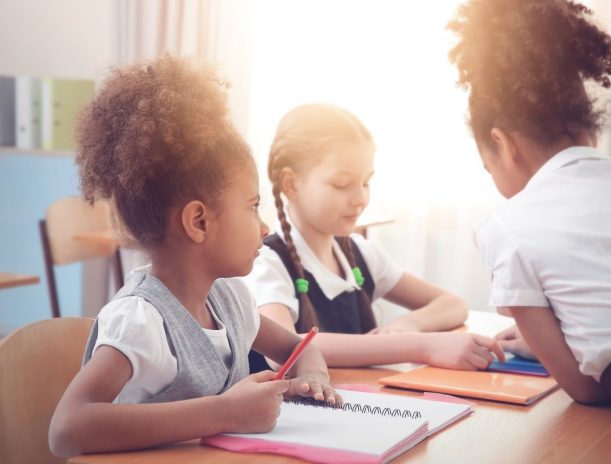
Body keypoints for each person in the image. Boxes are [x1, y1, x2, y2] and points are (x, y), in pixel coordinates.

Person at [48, 56, 337, 457]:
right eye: (253, 206)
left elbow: (300, 347)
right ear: (199, 221)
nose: (265, 226)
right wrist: (224, 413)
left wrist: (313, 375)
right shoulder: (141, 322)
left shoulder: (231, 301)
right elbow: (67, 429)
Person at [447, 1, 611, 462]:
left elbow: (585, 388)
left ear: (501, 144)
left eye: (487, 166)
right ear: (591, 131)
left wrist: (555, 350)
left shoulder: (506, 225)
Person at [244, 102, 505, 371]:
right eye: (342, 184)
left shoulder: (361, 253)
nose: (360, 198)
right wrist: (420, 345)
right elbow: (284, 351)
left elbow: (453, 304)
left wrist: (408, 325)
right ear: (291, 184)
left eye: (366, 182)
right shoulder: (268, 262)